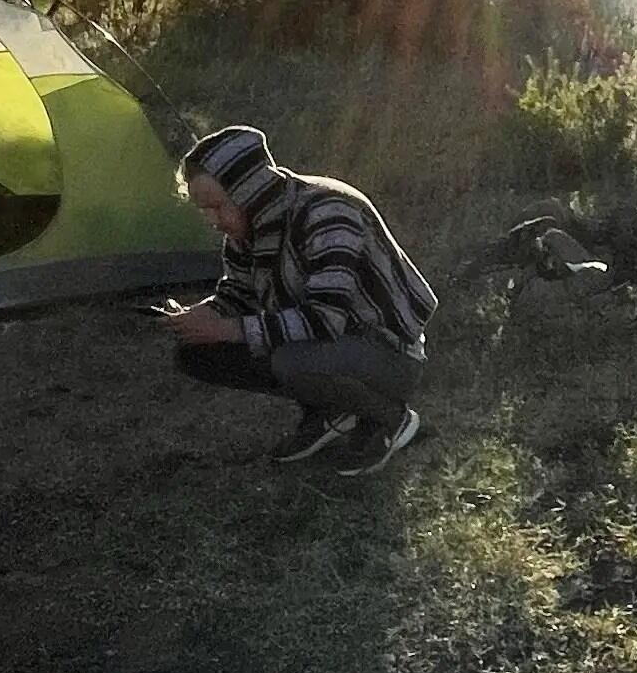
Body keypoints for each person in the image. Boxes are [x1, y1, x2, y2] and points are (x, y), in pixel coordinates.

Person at [160, 124, 437, 470]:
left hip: (389, 350)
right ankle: (331, 409)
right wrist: (200, 316)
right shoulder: (251, 222)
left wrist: (226, 329)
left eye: (217, 207)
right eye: (205, 210)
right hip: (328, 345)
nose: (212, 221)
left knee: (289, 360)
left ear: (247, 191)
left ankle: (390, 417)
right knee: (197, 353)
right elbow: (239, 291)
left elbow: (325, 319)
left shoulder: (326, 213)